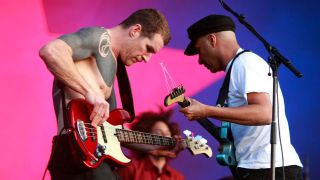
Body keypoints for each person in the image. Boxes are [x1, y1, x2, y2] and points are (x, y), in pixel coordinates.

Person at [39, 9, 171, 180]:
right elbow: (51, 50)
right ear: (135, 30)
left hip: (95, 158)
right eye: (148, 48)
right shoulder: (99, 37)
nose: (147, 58)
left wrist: (160, 145)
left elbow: (114, 132)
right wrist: (89, 92)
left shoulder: (112, 62)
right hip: (77, 155)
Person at [179, 14, 302, 179]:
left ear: (212, 40)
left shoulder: (245, 63)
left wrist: (207, 111)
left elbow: (265, 114)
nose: (200, 60)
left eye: (199, 50)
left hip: (267, 168)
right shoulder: (240, 65)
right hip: (260, 167)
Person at [116, 108, 185, 180]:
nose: (164, 136)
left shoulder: (178, 177)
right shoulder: (130, 168)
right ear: (145, 138)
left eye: (167, 133)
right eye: (158, 133)